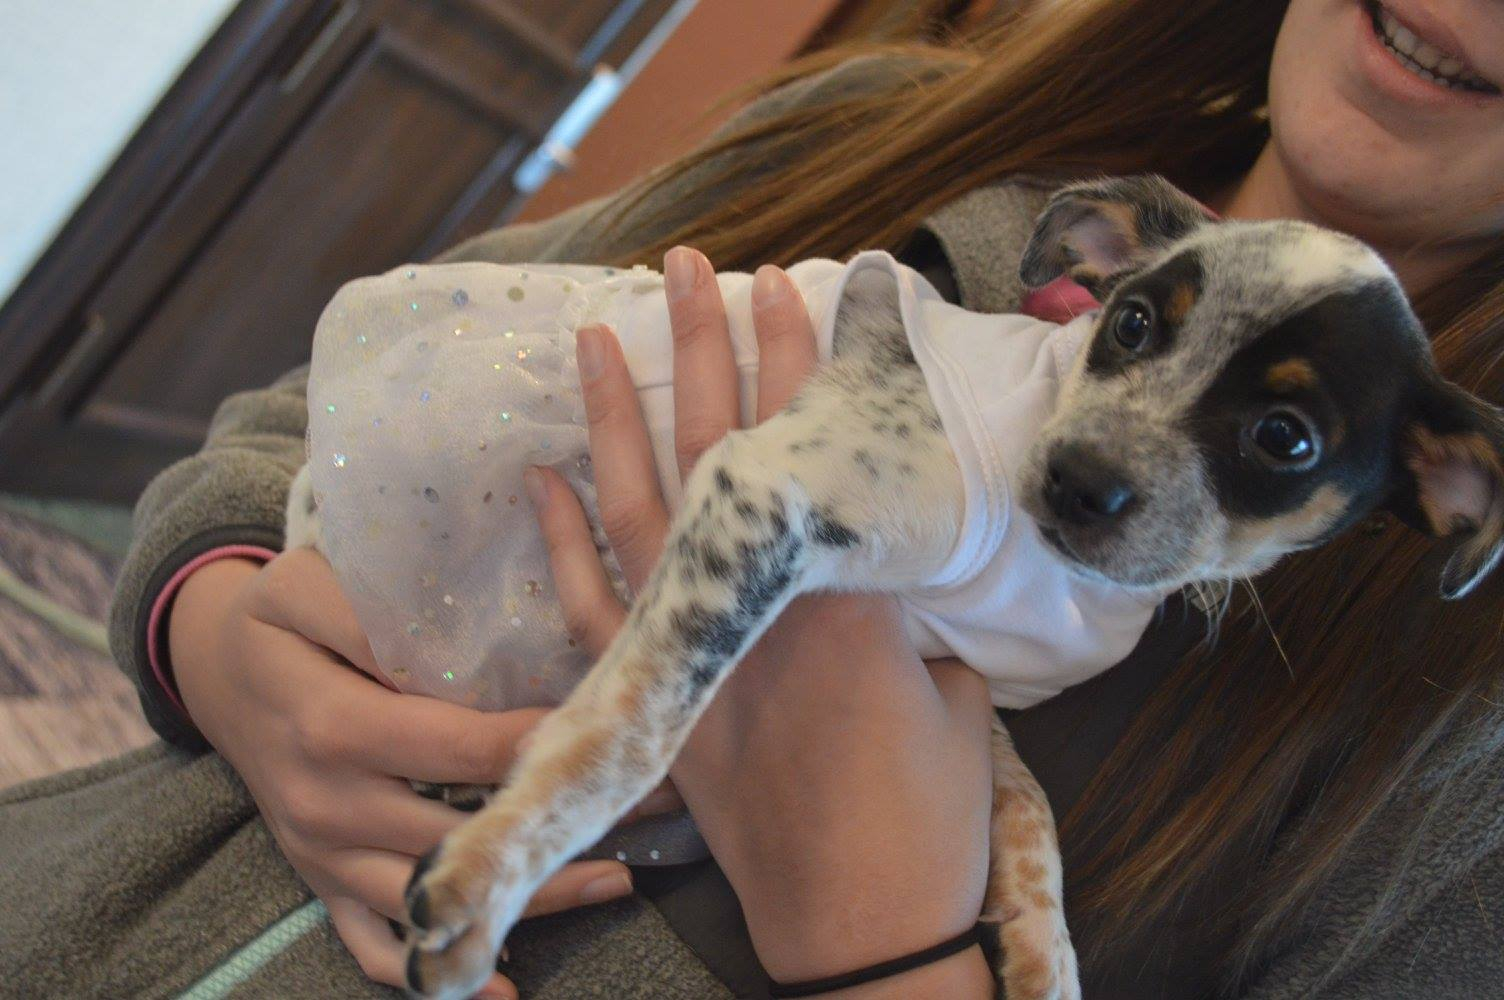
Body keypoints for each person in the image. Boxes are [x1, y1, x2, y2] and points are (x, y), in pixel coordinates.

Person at [3, 1, 1500, 997]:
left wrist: (889, 949)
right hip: (74, 904)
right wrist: (223, 638)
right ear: (1097, 264)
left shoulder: (1459, 746)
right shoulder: (897, 134)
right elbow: (298, 415)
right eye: (1135, 339)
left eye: (1286, 443)